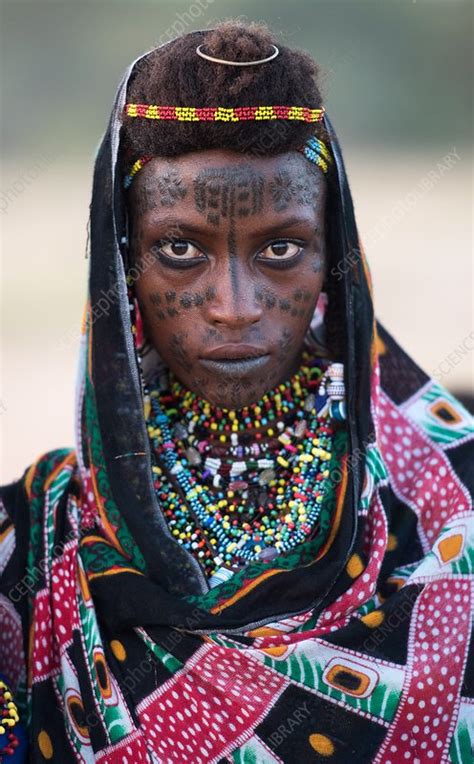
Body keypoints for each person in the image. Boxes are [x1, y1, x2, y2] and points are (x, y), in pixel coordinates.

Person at [0, 19, 472, 763]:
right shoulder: (31, 553)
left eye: (280, 249)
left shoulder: (451, 499)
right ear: (123, 267)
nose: (235, 304)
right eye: (179, 249)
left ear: (333, 258)